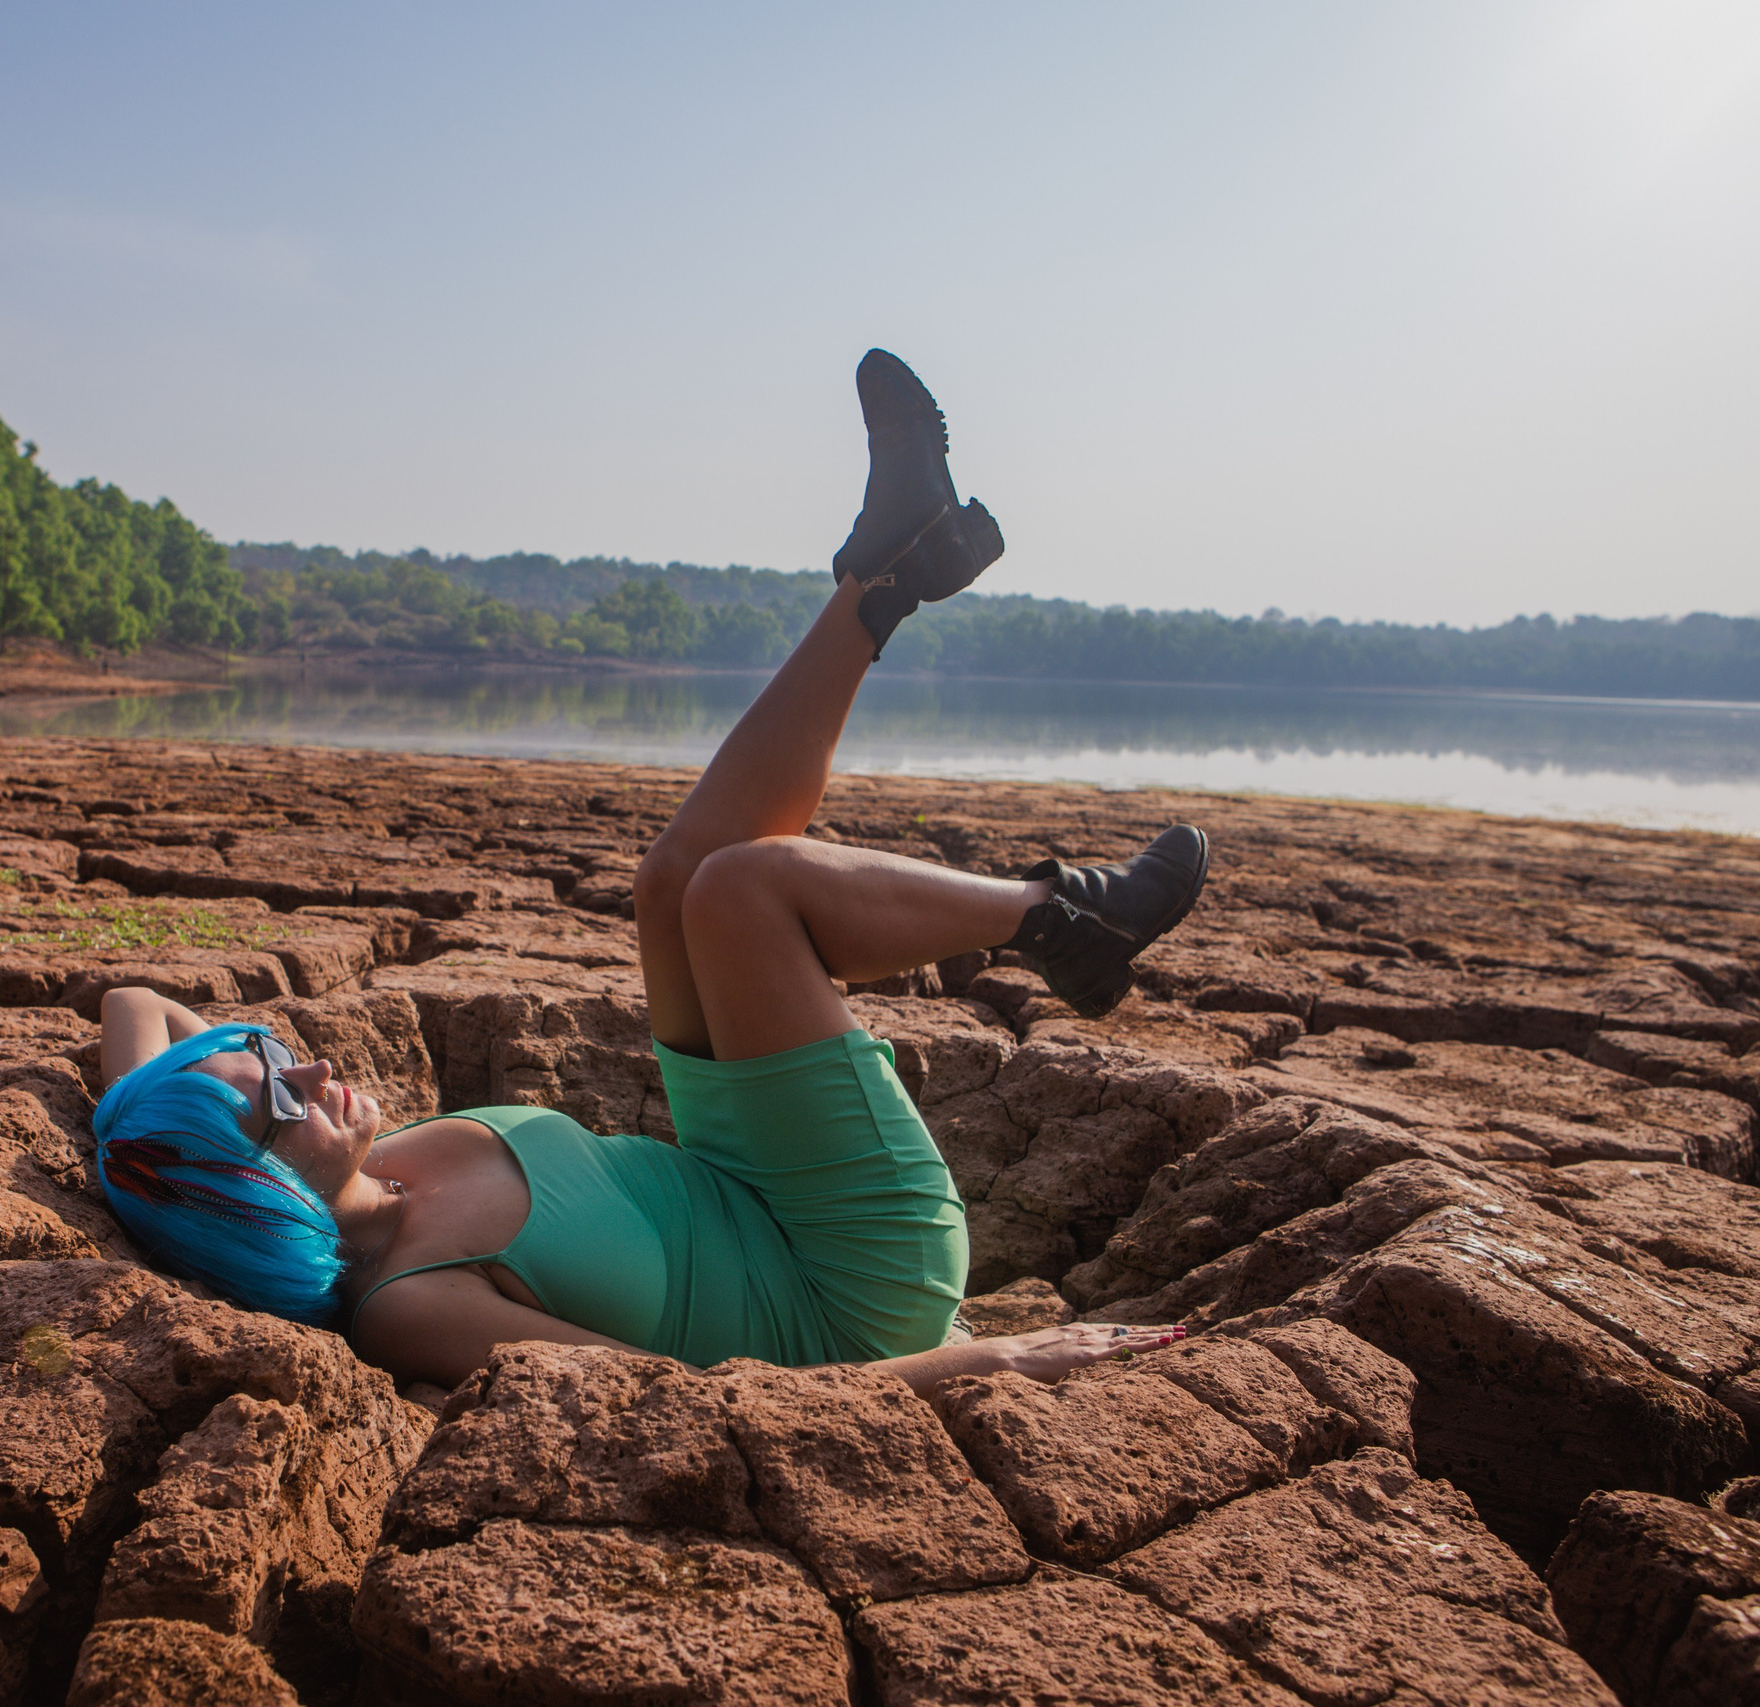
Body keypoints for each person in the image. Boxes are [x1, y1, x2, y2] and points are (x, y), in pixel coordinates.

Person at [94, 351, 1210, 1395]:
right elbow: (679, 1401)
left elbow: (133, 999)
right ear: (255, 1191)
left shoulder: (375, 1168)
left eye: (273, 1058)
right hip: (847, 1291)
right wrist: (994, 1363)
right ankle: (1053, 916)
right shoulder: (407, 1306)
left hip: (745, 1187)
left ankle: (886, 575)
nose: (307, 1062)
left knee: (676, 882)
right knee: (743, 891)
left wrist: (144, 1123)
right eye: (282, 1094)